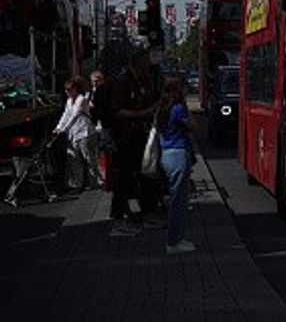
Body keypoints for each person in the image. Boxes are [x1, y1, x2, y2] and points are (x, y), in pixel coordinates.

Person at [109, 50, 158, 236]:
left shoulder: (142, 80)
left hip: (139, 135)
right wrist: (141, 114)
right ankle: (118, 220)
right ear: (138, 62)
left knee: (145, 174)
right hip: (125, 137)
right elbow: (117, 111)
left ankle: (148, 214)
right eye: (146, 61)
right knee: (125, 177)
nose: (149, 64)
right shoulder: (123, 81)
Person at [156, 76, 196, 254]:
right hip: (179, 154)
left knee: (176, 198)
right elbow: (193, 126)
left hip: (166, 154)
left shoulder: (162, 109)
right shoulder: (179, 109)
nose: (187, 91)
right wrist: (188, 110)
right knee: (179, 201)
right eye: (184, 88)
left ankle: (178, 238)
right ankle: (174, 241)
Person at [53, 76, 100, 190]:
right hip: (74, 134)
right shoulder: (69, 101)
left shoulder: (81, 99)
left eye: (69, 90)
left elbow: (75, 115)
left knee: (89, 158)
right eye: (66, 90)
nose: (67, 92)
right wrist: (58, 127)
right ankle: (76, 184)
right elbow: (66, 115)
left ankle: (94, 182)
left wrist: (64, 129)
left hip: (85, 132)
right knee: (74, 159)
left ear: (75, 89)